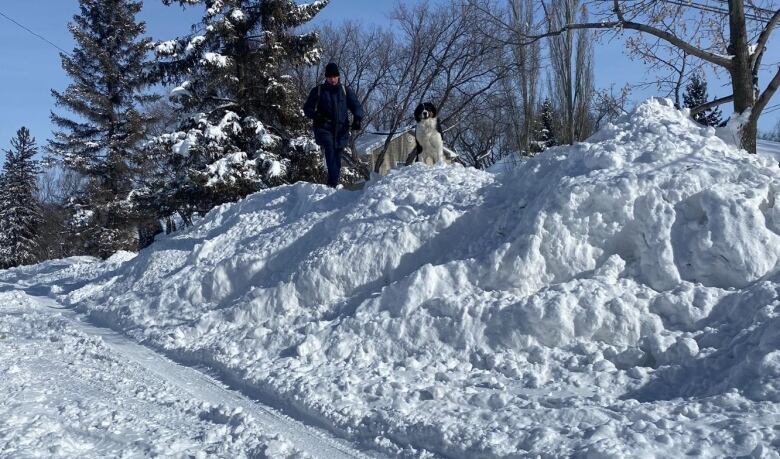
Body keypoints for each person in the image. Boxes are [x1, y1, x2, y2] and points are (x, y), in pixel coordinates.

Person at [303, 62, 364, 188]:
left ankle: (333, 184)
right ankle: (332, 184)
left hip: (341, 129)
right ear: (326, 77)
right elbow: (307, 109)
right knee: (330, 150)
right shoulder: (319, 91)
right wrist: (316, 115)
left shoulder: (344, 91)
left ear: (338, 77)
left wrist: (357, 119)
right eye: (330, 77)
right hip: (324, 128)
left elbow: (356, 106)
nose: (332, 79)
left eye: (335, 76)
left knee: (337, 156)